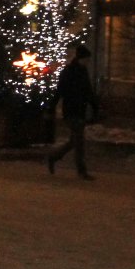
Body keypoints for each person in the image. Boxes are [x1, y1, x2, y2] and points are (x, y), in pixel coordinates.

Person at [48, 44, 98, 181]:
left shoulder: (83, 71)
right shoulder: (68, 72)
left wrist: (95, 106)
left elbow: (88, 91)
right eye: (87, 59)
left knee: (74, 141)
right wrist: (51, 108)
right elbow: (59, 91)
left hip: (80, 109)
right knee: (79, 141)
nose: (88, 62)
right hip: (71, 110)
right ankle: (82, 171)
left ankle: (53, 157)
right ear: (81, 58)